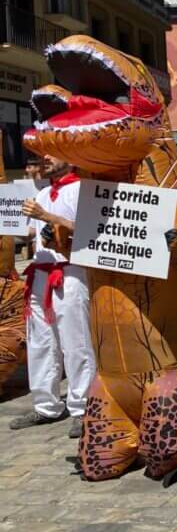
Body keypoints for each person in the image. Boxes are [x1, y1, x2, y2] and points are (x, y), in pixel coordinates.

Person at [9, 155, 94, 439]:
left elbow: (87, 228)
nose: (43, 159)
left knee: (76, 342)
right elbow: (33, 233)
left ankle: (82, 408)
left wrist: (46, 217)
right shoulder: (44, 191)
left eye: (51, 153)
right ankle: (46, 405)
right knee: (40, 343)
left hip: (69, 272)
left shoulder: (83, 188)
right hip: (39, 273)